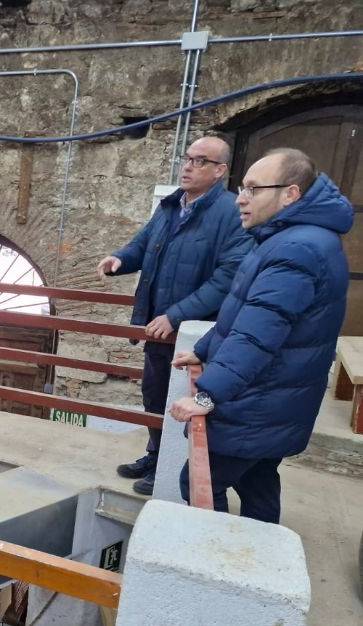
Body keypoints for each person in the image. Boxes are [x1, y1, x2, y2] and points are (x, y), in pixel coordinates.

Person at [169, 148, 352, 523]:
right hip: (276, 400)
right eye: (242, 187)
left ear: (291, 194)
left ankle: (216, 571)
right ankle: (259, 554)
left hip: (260, 401)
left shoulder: (296, 248)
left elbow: (257, 334)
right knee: (257, 477)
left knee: (200, 483)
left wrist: (208, 394)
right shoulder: (292, 237)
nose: (240, 198)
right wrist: (204, 350)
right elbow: (245, 312)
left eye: (253, 189)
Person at [97, 136, 252, 495]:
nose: (188, 166)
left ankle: (171, 468)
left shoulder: (230, 213)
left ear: (219, 171)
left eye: (200, 161)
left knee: (183, 401)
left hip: (195, 336)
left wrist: (176, 316)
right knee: (154, 394)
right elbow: (143, 244)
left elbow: (227, 277)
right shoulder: (171, 206)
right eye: (187, 158)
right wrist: (121, 259)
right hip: (157, 327)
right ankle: (154, 453)